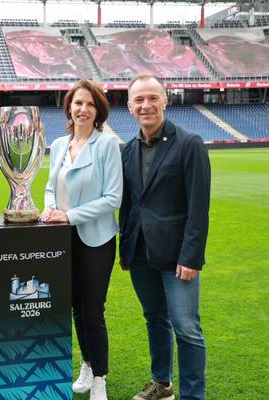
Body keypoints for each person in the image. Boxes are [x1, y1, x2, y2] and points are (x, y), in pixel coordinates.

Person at [119, 74, 210, 400]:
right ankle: (162, 384)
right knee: (155, 319)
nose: (146, 105)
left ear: (165, 101)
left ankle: (192, 396)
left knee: (186, 328)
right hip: (140, 254)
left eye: (152, 98)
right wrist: (125, 249)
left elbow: (198, 208)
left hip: (177, 257)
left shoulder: (189, 144)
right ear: (129, 106)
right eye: (139, 100)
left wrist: (191, 257)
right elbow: (129, 204)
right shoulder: (128, 149)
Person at [40, 79, 123, 400]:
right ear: (69, 108)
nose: (83, 109)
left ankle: (100, 377)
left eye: (90, 104)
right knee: (75, 306)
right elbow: (51, 187)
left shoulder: (106, 145)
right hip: (63, 238)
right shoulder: (60, 144)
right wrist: (50, 207)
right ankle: (87, 365)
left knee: (93, 310)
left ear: (98, 111)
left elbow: (112, 198)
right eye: (78, 103)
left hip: (96, 239)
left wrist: (69, 215)